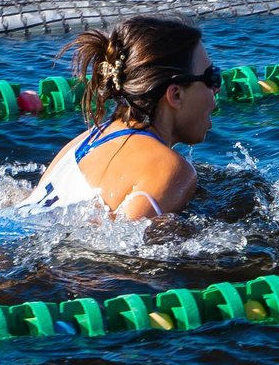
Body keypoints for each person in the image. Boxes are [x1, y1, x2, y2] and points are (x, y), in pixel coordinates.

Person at [26, 15, 220, 218]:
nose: (217, 88)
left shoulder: (87, 139)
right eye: (211, 77)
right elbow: (128, 248)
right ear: (176, 95)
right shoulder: (171, 169)